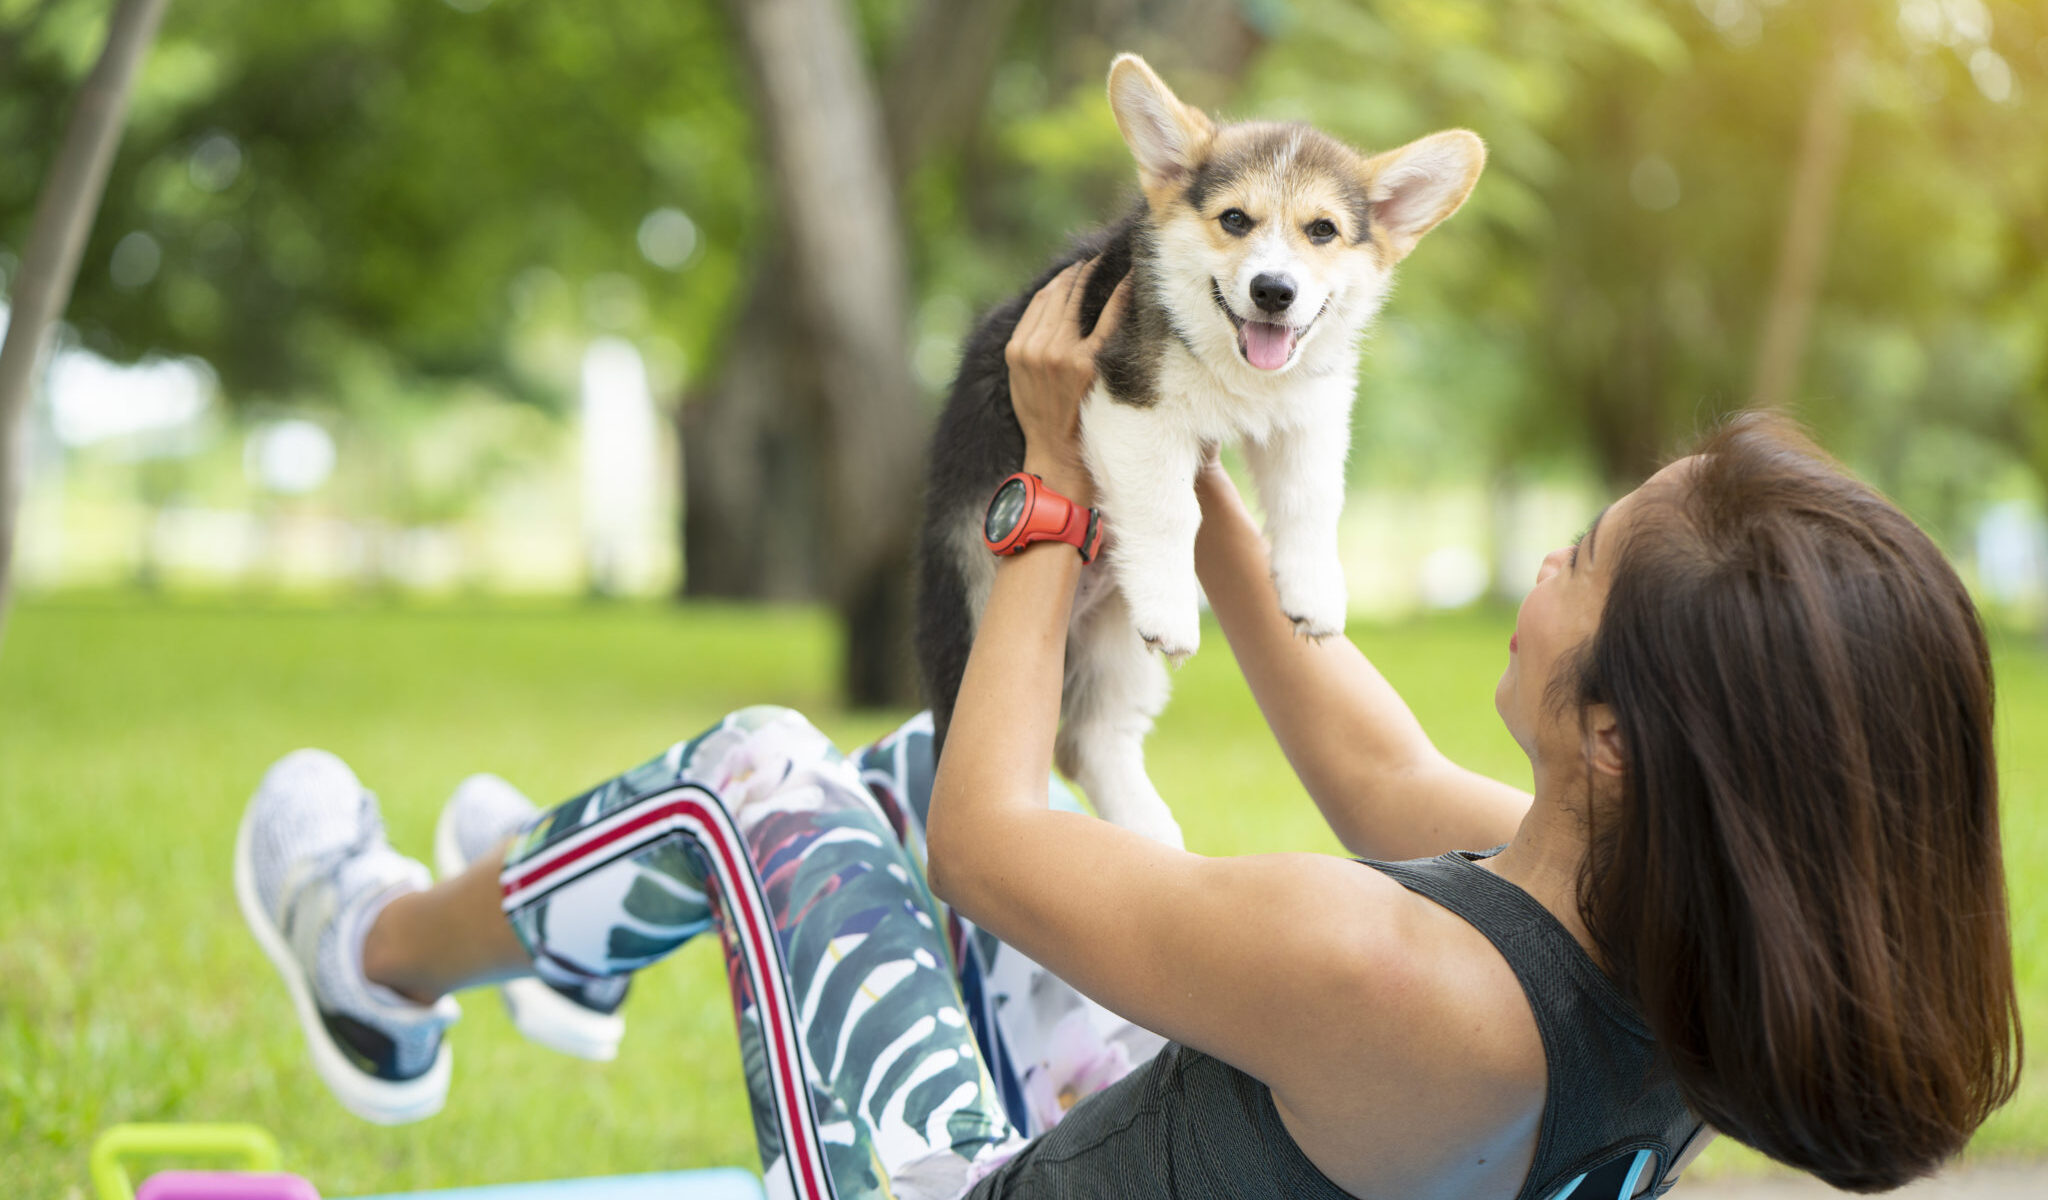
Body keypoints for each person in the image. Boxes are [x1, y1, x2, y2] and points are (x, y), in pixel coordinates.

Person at [235, 260, 2021, 1200]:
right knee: (917, 767)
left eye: (1580, 559)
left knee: (770, 778)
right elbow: (1374, 768)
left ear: (1622, 734)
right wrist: (1179, 459)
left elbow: (992, 853)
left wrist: (1045, 485)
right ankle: (565, 920)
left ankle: (375, 967)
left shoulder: (1402, 985)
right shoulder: (1667, 936)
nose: (1542, 571)